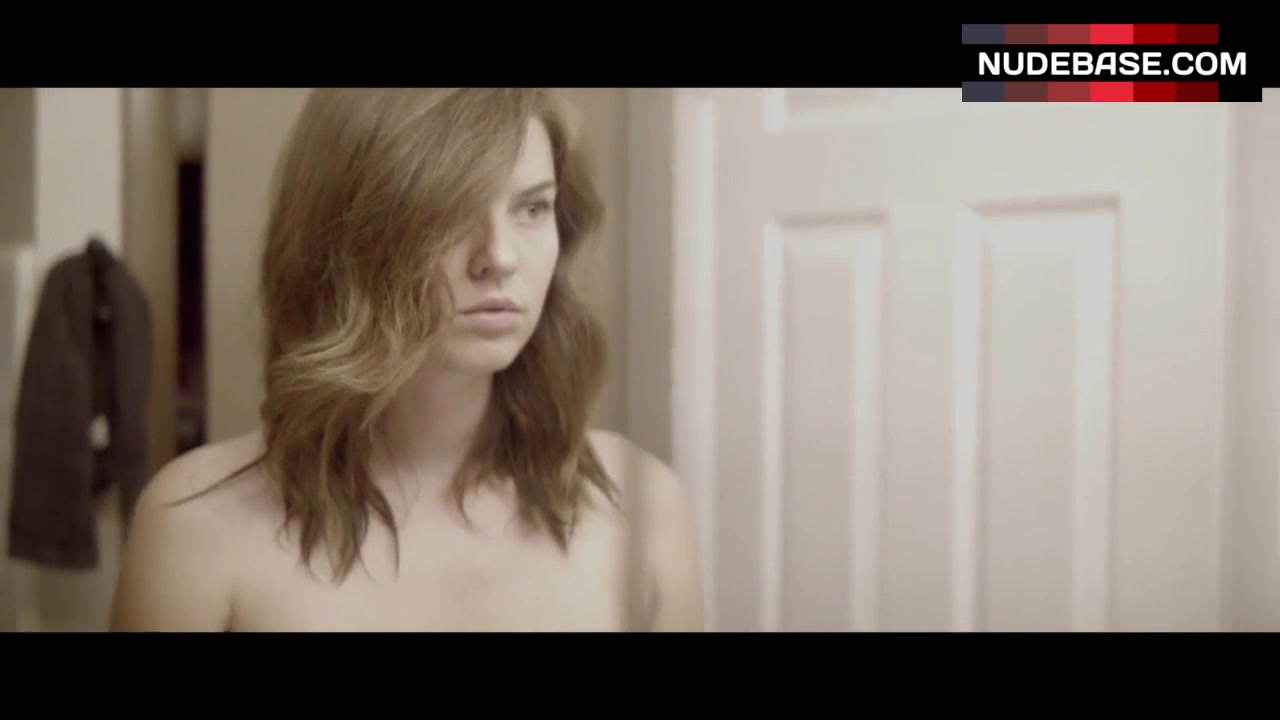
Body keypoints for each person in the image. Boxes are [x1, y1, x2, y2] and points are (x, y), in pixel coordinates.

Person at [108, 88, 705, 632]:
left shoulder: (640, 507)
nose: (499, 257)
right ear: (347, 237)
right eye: (451, 211)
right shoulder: (198, 526)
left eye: (532, 208)